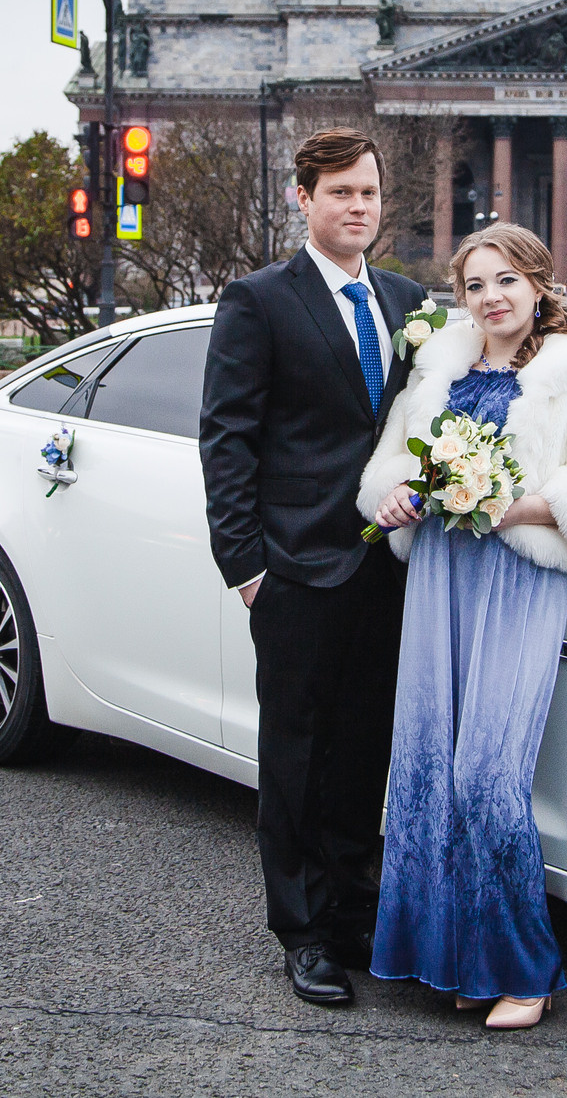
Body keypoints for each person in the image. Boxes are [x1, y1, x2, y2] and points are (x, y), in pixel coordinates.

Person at [360, 223, 567, 1029]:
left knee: (486, 772)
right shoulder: (439, 366)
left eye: (508, 280)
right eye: (475, 285)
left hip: (516, 580)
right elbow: (395, 467)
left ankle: (526, 969)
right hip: (442, 575)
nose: (492, 298)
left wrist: (500, 502)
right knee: (429, 766)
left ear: (540, 286)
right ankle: (448, 958)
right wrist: (401, 497)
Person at [200, 128, 428, 1010]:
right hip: (295, 571)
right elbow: (226, 440)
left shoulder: (408, 300)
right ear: (304, 198)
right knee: (295, 756)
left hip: (386, 569)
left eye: (369, 192)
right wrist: (248, 567)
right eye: (340, 193)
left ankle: (352, 911)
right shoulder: (259, 300)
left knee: (362, 754)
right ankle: (301, 933)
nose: (358, 207)